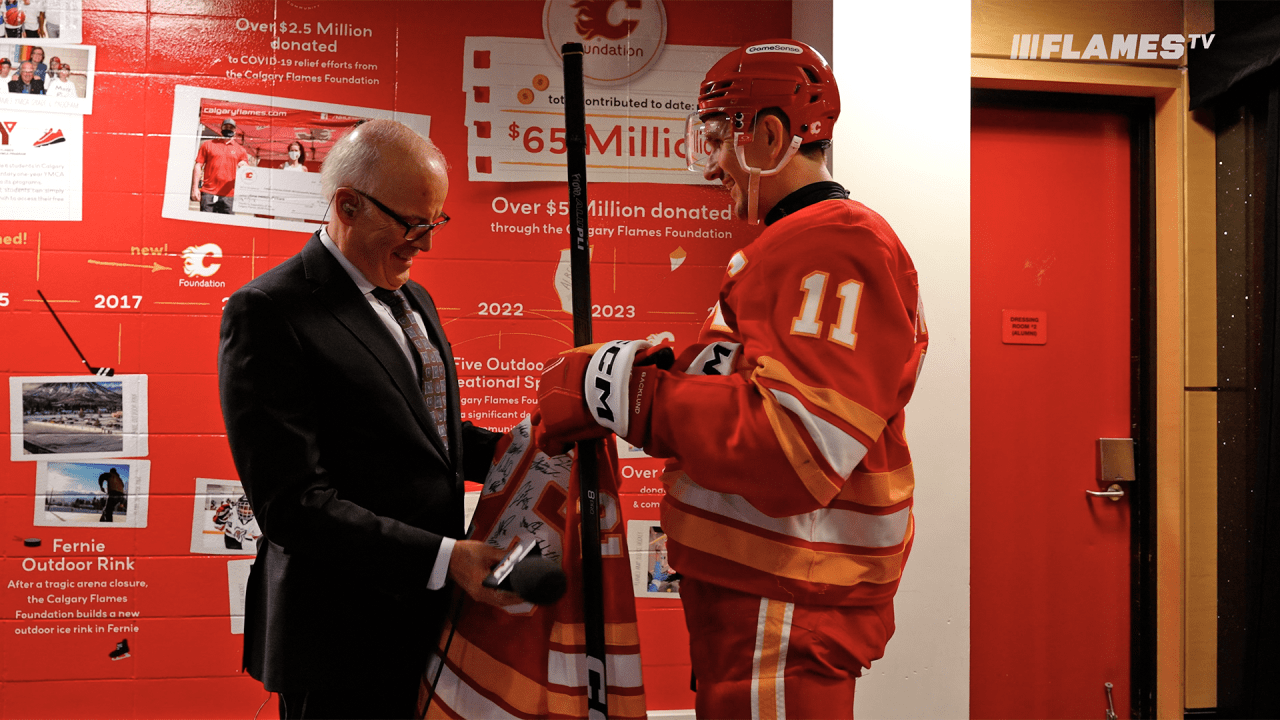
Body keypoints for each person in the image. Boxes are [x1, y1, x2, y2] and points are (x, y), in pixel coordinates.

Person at [535, 39, 928, 719]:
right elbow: (763, 392)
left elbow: (793, 446)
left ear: (771, 135)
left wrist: (629, 395)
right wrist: (663, 371)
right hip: (764, 598)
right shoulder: (797, 244)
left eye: (718, 137)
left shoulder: (832, 246)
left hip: (785, 600)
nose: (710, 162)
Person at [218, 118, 517, 720]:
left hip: (423, 627)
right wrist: (445, 558)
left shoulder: (413, 298)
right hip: (336, 643)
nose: (426, 243)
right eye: (412, 224)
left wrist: (525, 450)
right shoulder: (270, 312)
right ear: (347, 206)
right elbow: (292, 505)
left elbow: (419, 435)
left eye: (436, 222)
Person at [190, 117, 252, 214]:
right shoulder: (208, 144)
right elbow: (198, 165)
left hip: (229, 196)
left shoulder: (241, 150)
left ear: (235, 131)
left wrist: (244, 167)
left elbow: (247, 173)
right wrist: (195, 188)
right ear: (221, 128)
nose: (228, 129)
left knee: (226, 227)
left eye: (231, 128)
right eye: (226, 127)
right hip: (208, 193)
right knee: (205, 225)